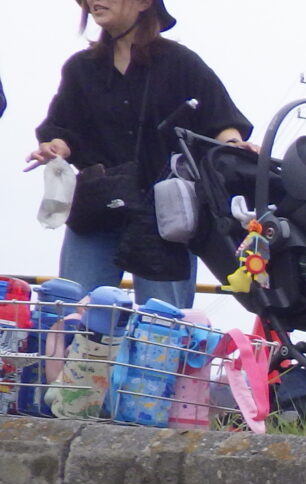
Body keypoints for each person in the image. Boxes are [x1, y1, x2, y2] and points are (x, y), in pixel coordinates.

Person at [27, 0, 251, 309]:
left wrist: (234, 145)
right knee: (73, 311)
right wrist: (56, 146)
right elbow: (63, 127)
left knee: (162, 321)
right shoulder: (81, 68)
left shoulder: (181, 62)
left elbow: (220, 120)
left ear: (145, 3)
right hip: (99, 204)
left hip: (167, 212)